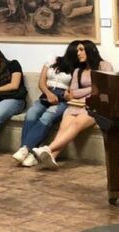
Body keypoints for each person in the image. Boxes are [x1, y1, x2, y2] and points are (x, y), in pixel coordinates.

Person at [31, 40, 113, 168]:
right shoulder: (77, 71)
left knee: (76, 124)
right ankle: (53, 156)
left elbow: (106, 88)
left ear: (90, 50)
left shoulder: (104, 66)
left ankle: (48, 148)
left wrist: (90, 90)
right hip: (75, 104)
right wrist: (93, 88)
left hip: (94, 106)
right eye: (77, 51)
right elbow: (73, 92)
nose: (78, 53)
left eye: (81, 50)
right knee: (64, 126)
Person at [12, 41, 79, 167]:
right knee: (32, 113)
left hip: (62, 99)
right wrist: (48, 94)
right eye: (78, 51)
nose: (80, 54)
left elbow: (73, 91)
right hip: (46, 94)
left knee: (47, 117)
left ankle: (26, 150)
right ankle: (28, 152)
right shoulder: (53, 60)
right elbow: (41, 82)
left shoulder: (78, 69)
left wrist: (67, 95)